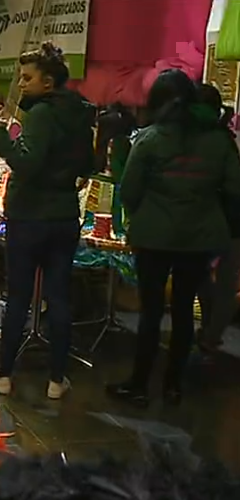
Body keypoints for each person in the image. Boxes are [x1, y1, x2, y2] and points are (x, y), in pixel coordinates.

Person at [106, 70, 240, 407]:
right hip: (198, 238)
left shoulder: (150, 139)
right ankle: (173, 386)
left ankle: (138, 385)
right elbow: (235, 189)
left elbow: (130, 190)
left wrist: (142, 215)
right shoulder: (218, 140)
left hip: (153, 236)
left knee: (151, 311)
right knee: (183, 310)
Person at [0, 42, 97, 400]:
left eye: (27, 78)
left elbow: (28, 163)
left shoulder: (43, 115)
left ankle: (4, 374)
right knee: (59, 298)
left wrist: (2, 140)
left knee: (19, 297)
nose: (21, 84)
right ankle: (56, 380)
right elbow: (87, 167)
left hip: (30, 218)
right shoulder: (82, 114)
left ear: (47, 82)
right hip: (64, 217)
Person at [196, 83, 240, 353]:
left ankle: (210, 334)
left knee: (214, 278)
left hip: (222, 219)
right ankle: (210, 333)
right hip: (227, 220)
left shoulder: (212, 141)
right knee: (218, 279)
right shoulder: (224, 140)